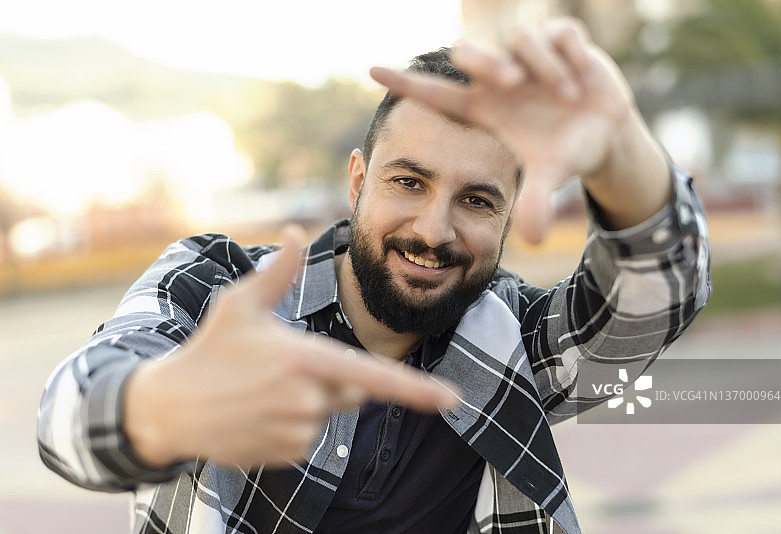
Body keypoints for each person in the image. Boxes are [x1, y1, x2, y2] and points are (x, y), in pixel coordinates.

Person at [37, 17, 710, 534]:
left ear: (507, 220)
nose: (433, 229)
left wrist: (622, 146)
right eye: (408, 181)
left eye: (476, 200)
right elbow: (69, 414)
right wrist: (159, 408)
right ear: (358, 181)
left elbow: (648, 307)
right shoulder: (217, 290)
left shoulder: (516, 340)